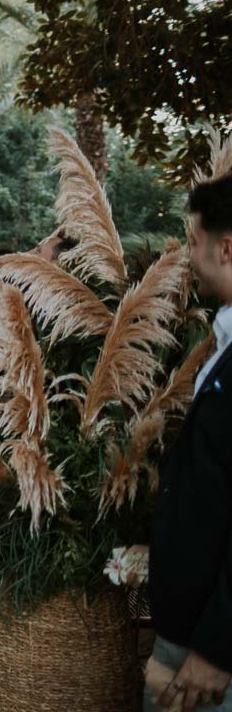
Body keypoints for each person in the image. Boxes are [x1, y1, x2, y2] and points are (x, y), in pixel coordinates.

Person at [146, 172, 232, 712]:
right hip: (191, 631)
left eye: (195, 243)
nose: (189, 256)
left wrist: (219, 646)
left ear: (227, 248)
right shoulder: (223, 344)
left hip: (212, 653)